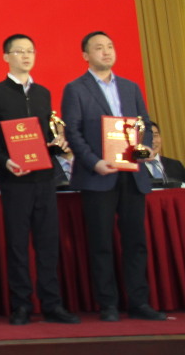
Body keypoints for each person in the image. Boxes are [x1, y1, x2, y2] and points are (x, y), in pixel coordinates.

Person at [62, 31, 166, 322]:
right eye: (99, 48)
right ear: (86, 55)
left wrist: (144, 148)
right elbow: (73, 132)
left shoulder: (130, 87)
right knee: (101, 243)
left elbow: (144, 124)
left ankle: (139, 302)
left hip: (131, 174)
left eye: (110, 46)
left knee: (136, 242)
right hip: (99, 175)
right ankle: (107, 304)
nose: (106, 52)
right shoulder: (76, 89)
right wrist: (94, 162)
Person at [0, 34, 80, 325]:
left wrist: (58, 142)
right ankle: (21, 305)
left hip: (44, 178)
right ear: (6, 57)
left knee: (48, 243)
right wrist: (5, 161)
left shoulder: (43, 93)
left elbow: (47, 133)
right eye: (19, 51)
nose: (25, 56)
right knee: (17, 244)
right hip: (15, 179)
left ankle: (52, 304)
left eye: (30, 51)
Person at [145, 121, 185, 186]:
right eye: (147, 137)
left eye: (155, 136)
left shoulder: (176, 165)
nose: (153, 141)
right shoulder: (134, 170)